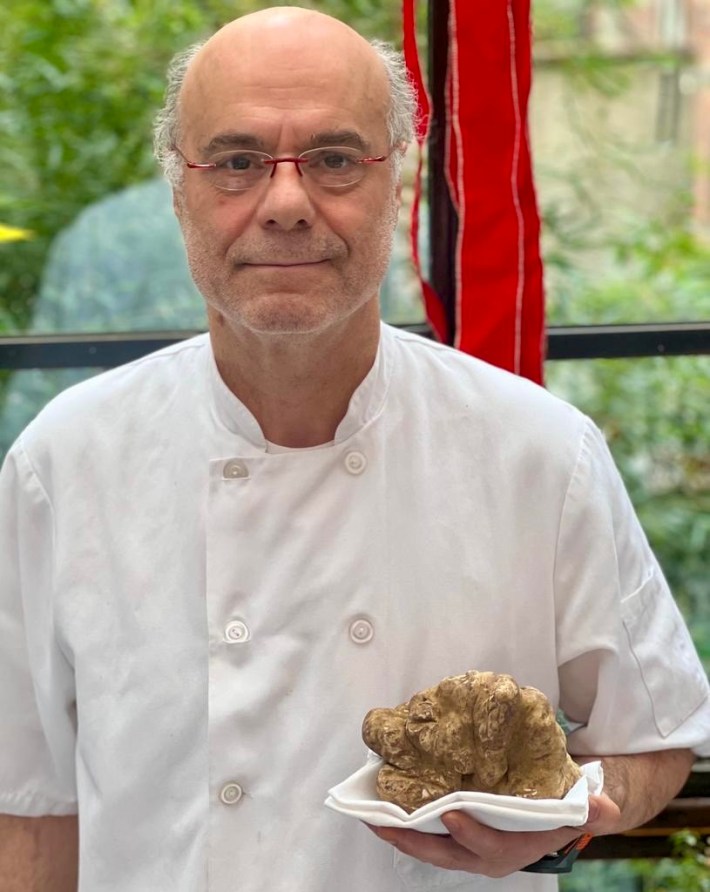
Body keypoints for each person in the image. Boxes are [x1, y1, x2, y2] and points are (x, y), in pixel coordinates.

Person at [0, 7, 708, 891]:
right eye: (236, 162)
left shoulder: (538, 452)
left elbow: (653, 739)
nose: (287, 204)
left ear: (396, 181)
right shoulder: (62, 464)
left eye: (336, 160)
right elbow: (29, 804)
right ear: (178, 187)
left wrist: (564, 820)